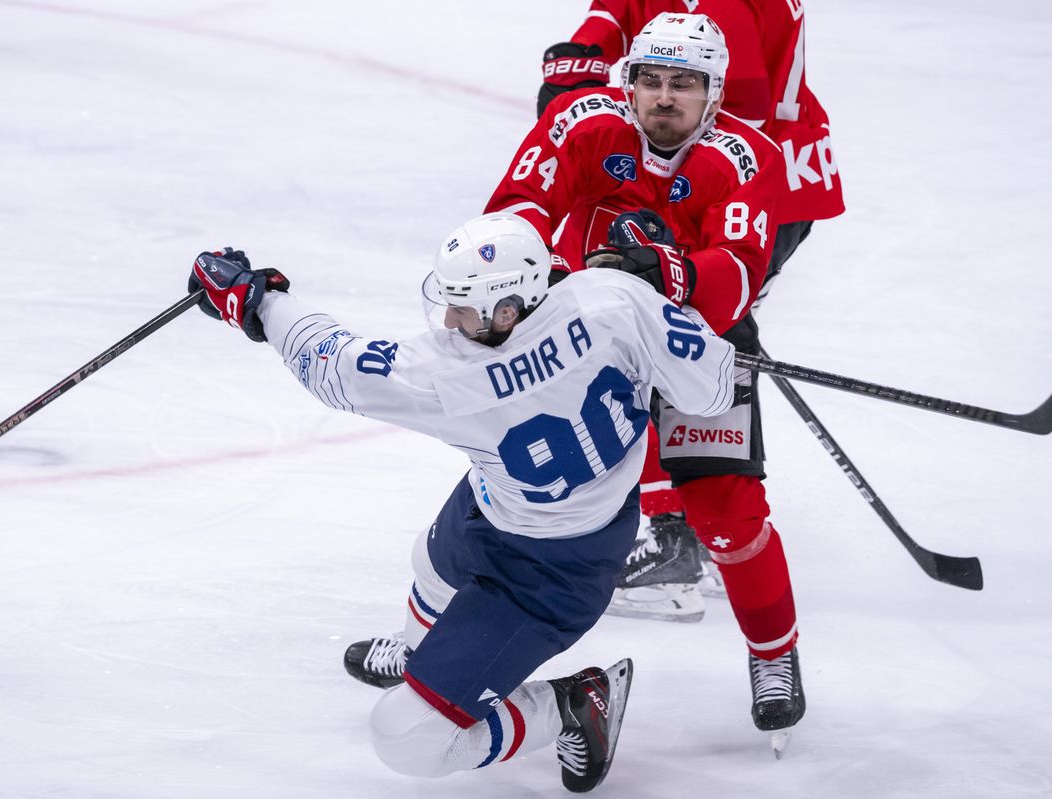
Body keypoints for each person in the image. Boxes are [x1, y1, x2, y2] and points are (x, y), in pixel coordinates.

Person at [345, 13, 809, 745]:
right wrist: (537, 270)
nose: (662, 97)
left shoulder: (746, 154)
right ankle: (426, 642)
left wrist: (673, 269)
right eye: (649, 80)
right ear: (629, 81)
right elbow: (516, 211)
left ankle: (773, 654)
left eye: (682, 85)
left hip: (696, 336)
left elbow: (740, 275)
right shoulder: (585, 120)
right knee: (507, 487)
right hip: (584, 333)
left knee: (729, 510)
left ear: (714, 95)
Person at [187, 212, 738, 791]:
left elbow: (335, 364)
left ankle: (576, 703)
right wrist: (665, 301)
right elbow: (711, 392)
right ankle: (423, 654)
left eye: (464, 307)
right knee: (431, 568)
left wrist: (258, 302)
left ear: (509, 310)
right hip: (514, 508)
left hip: (551, 575)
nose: (448, 320)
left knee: (407, 739)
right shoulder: (614, 297)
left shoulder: (447, 374)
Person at [538, 0, 844, 618]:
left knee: (673, 341)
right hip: (682, 188)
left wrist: (676, 266)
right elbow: (607, 22)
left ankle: (675, 534)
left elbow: (727, 124)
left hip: (759, 189)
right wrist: (579, 63)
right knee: (628, 329)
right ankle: (674, 522)